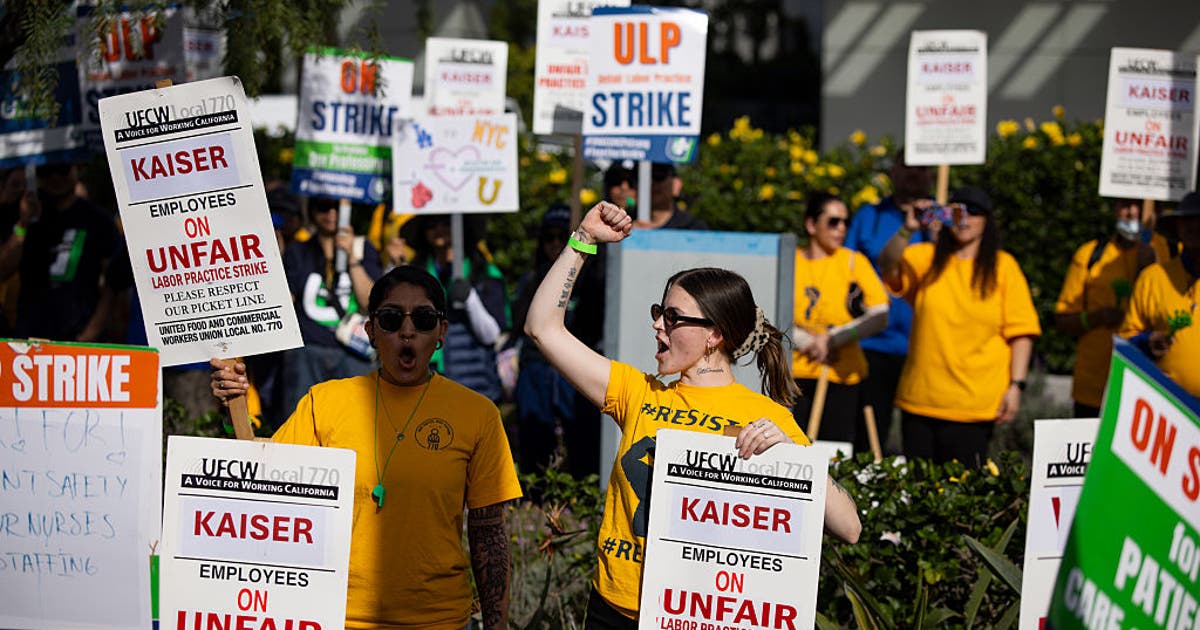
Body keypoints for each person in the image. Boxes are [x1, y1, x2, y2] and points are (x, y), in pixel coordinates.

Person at [524, 201, 862, 627]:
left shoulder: (765, 416)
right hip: (615, 611)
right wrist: (584, 241)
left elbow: (849, 527)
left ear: (714, 335)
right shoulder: (637, 393)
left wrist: (790, 457)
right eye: (658, 313)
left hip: (698, 615)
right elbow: (542, 327)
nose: (657, 326)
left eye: (673, 317)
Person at [211, 265, 522, 629]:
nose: (407, 331)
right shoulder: (325, 402)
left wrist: (496, 626)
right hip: (336, 617)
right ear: (371, 331)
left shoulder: (477, 414)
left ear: (441, 332)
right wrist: (234, 402)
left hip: (439, 620)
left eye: (422, 319)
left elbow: (489, 534)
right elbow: (261, 484)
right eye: (391, 319)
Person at [878, 187, 1041, 465]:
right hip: (921, 400)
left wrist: (1016, 387)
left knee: (961, 493)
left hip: (974, 406)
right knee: (919, 494)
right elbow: (886, 264)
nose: (964, 219)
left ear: (987, 220)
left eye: (973, 212)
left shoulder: (1004, 267)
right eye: (956, 211)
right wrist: (908, 228)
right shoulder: (926, 258)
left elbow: (1021, 333)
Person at [843, 151, 933, 454]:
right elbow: (845, 270)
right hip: (874, 345)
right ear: (893, 171)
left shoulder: (946, 221)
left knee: (922, 443)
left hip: (926, 347)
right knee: (869, 436)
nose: (914, 174)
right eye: (907, 166)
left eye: (921, 167)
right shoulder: (870, 216)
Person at [1055, 198, 1172, 416]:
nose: (1132, 212)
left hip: (1151, 388)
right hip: (1094, 389)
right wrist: (1096, 318)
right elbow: (1063, 320)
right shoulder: (1090, 254)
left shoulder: (1172, 253)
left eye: (1139, 205)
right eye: (1125, 204)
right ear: (1114, 208)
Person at [791, 192, 889, 444]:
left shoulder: (854, 262)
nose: (842, 228)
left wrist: (835, 339)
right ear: (811, 224)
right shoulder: (790, 261)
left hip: (842, 375)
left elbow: (880, 315)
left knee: (835, 455)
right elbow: (769, 314)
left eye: (846, 222)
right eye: (833, 221)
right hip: (793, 375)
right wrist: (807, 341)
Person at [280, 196, 383, 421]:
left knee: (354, 425)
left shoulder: (364, 249)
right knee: (301, 424)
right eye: (323, 206)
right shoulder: (299, 251)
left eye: (338, 207)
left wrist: (352, 258)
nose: (331, 213)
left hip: (352, 355)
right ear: (312, 211)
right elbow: (286, 301)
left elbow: (371, 303)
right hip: (308, 354)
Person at [0, 162, 121, 342]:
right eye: (46, 170)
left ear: (78, 168)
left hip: (79, 339)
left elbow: (114, 284)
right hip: (29, 338)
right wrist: (23, 226)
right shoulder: (22, 213)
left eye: (62, 168)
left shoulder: (98, 220)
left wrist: (91, 333)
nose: (55, 177)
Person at [404, 214, 508, 403]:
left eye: (446, 222)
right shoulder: (413, 274)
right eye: (431, 224)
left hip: (475, 384)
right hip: (426, 383)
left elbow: (492, 335)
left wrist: (470, 299)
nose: (438, 229)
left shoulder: (486, 274)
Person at [1120, 191, 1200, 398]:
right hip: (1169, 414)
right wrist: (1147, 342)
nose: (1192, 227)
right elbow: (1125, 343)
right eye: (1185, 221)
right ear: (1177, 229)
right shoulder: (1153, 278)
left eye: (1198, 220)